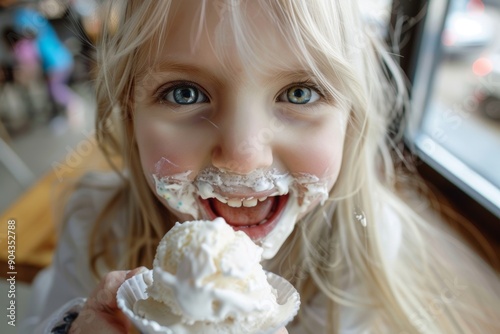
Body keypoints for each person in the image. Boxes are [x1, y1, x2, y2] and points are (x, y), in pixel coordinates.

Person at [22, 0, 500, 333]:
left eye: (299, 93)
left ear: (350, 120)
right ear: (129, 112)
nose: (244, 153)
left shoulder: (366, 255)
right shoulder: (92, 226)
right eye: (185, 92)